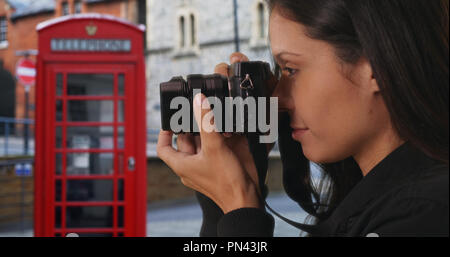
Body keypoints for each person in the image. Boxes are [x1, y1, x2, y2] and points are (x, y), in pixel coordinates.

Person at [157, 0, 449, 237]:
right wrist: (221, 207)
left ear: (375, 67)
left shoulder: (424, 213)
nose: (278, 100)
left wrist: (240, 207)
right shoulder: (374, 198)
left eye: (291, 70)